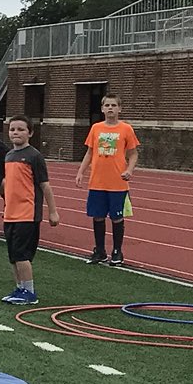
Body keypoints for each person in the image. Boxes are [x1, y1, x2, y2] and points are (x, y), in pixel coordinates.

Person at [0, 117, 59, 305]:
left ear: (30, 133)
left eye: (21, 129)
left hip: (27, 213)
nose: (15, 133)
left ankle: (29, 291)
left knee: (22, 254)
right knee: (12, 256)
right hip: (10, 213)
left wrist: (52, 211)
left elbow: (45, 186)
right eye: (12, 129)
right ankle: (19, 287)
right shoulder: (9, 156)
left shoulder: (34, 156)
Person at [76, 93, 140, 265]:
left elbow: (133, 154)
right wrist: (81, 172)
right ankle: (100, 250)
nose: (110, 108)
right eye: (107, 105)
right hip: (97, 181)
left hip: (117, 182)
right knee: (97, 216)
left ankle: (117, 251)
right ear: (102, 109)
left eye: (113, 105)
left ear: (120, 108)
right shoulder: (96, 128)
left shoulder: (126, 129)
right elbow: (89, 152)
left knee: (117, 217)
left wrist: (129, 170)